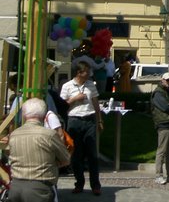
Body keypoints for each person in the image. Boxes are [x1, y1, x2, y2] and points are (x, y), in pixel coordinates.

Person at [8, 98, 70, 202]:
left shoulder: (14, 135)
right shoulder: (49, 135)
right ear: (44, 115)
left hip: (15, 187)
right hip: (40, 188)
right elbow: (66, 159)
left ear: (24, 114)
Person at [60, 61, 103, 195]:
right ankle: (79, 183)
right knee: (76, 154)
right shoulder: (67, 86)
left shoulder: (90, 85)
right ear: (79, 73)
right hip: (74, 120)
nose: (89, 74)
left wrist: (99, 119)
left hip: (89, 120)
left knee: (92, 154)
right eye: (87, 72)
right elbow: (62, 105)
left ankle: (95, 185)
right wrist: (74, 98)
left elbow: (95, 102)